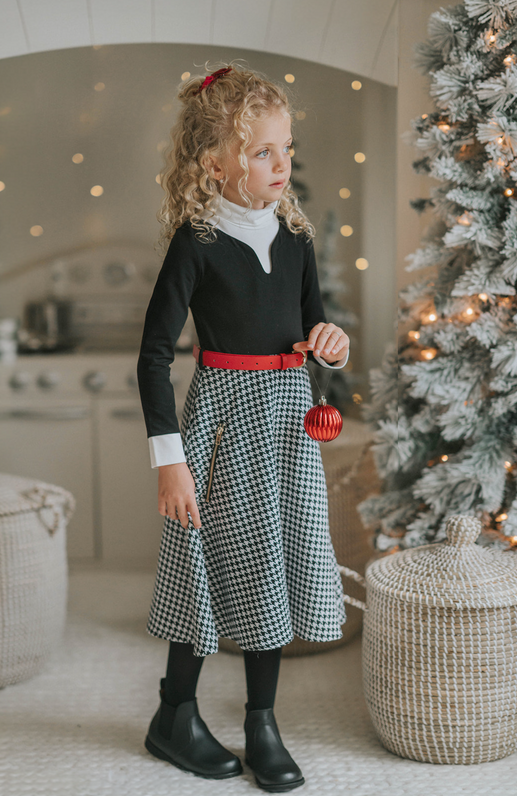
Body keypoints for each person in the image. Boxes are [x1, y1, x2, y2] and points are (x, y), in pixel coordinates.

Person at [136, 62, 350, 793]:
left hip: (288, 416)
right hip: (221, 418)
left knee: (277, 554)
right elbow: (155, 352)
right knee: (206, 560)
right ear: (216, 162)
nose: (281, 164)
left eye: (287, 148)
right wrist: (170, 460)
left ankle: (262, 721)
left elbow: (312, 317)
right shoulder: (196, 241)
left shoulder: (294, 234)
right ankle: (174, 714)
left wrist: (330, 339)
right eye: (263, 152)